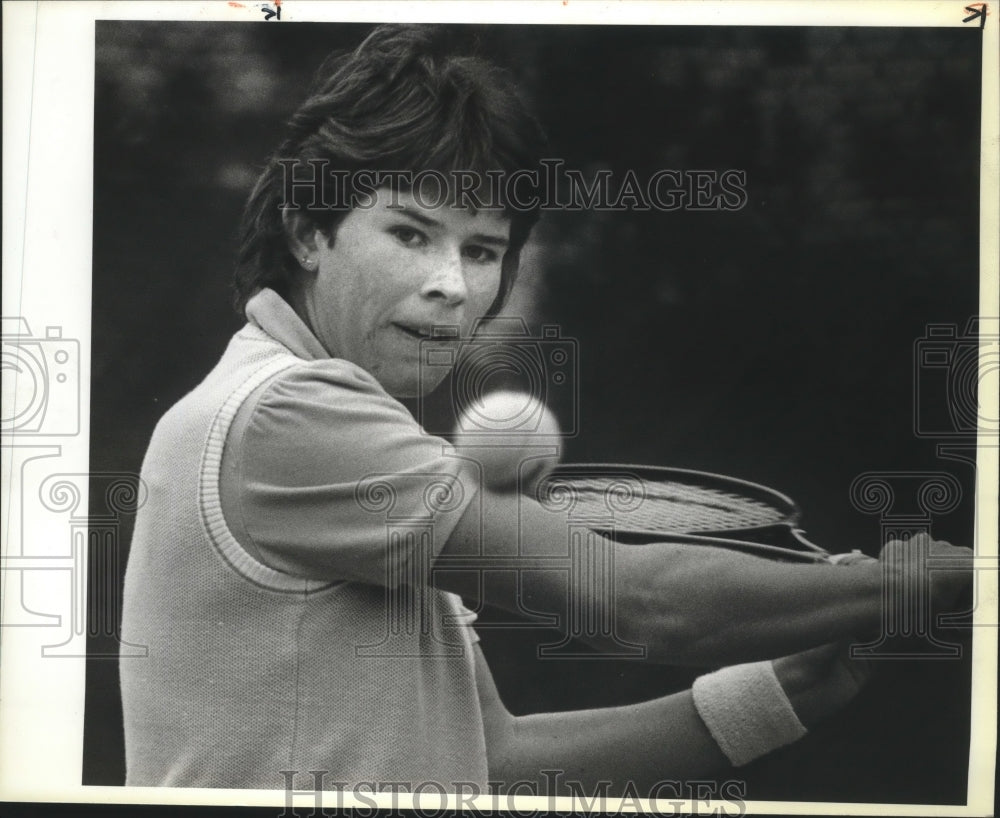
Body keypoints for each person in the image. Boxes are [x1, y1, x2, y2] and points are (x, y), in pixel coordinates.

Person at [119, 24, 973, 795]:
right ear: (309, 231)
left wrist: (785, 694)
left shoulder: (317, 432)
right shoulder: (288, 416)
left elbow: (492, 758)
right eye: (410, 233)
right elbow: (638, 600)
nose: (452, 284)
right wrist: (903, 586)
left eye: (483, 250)